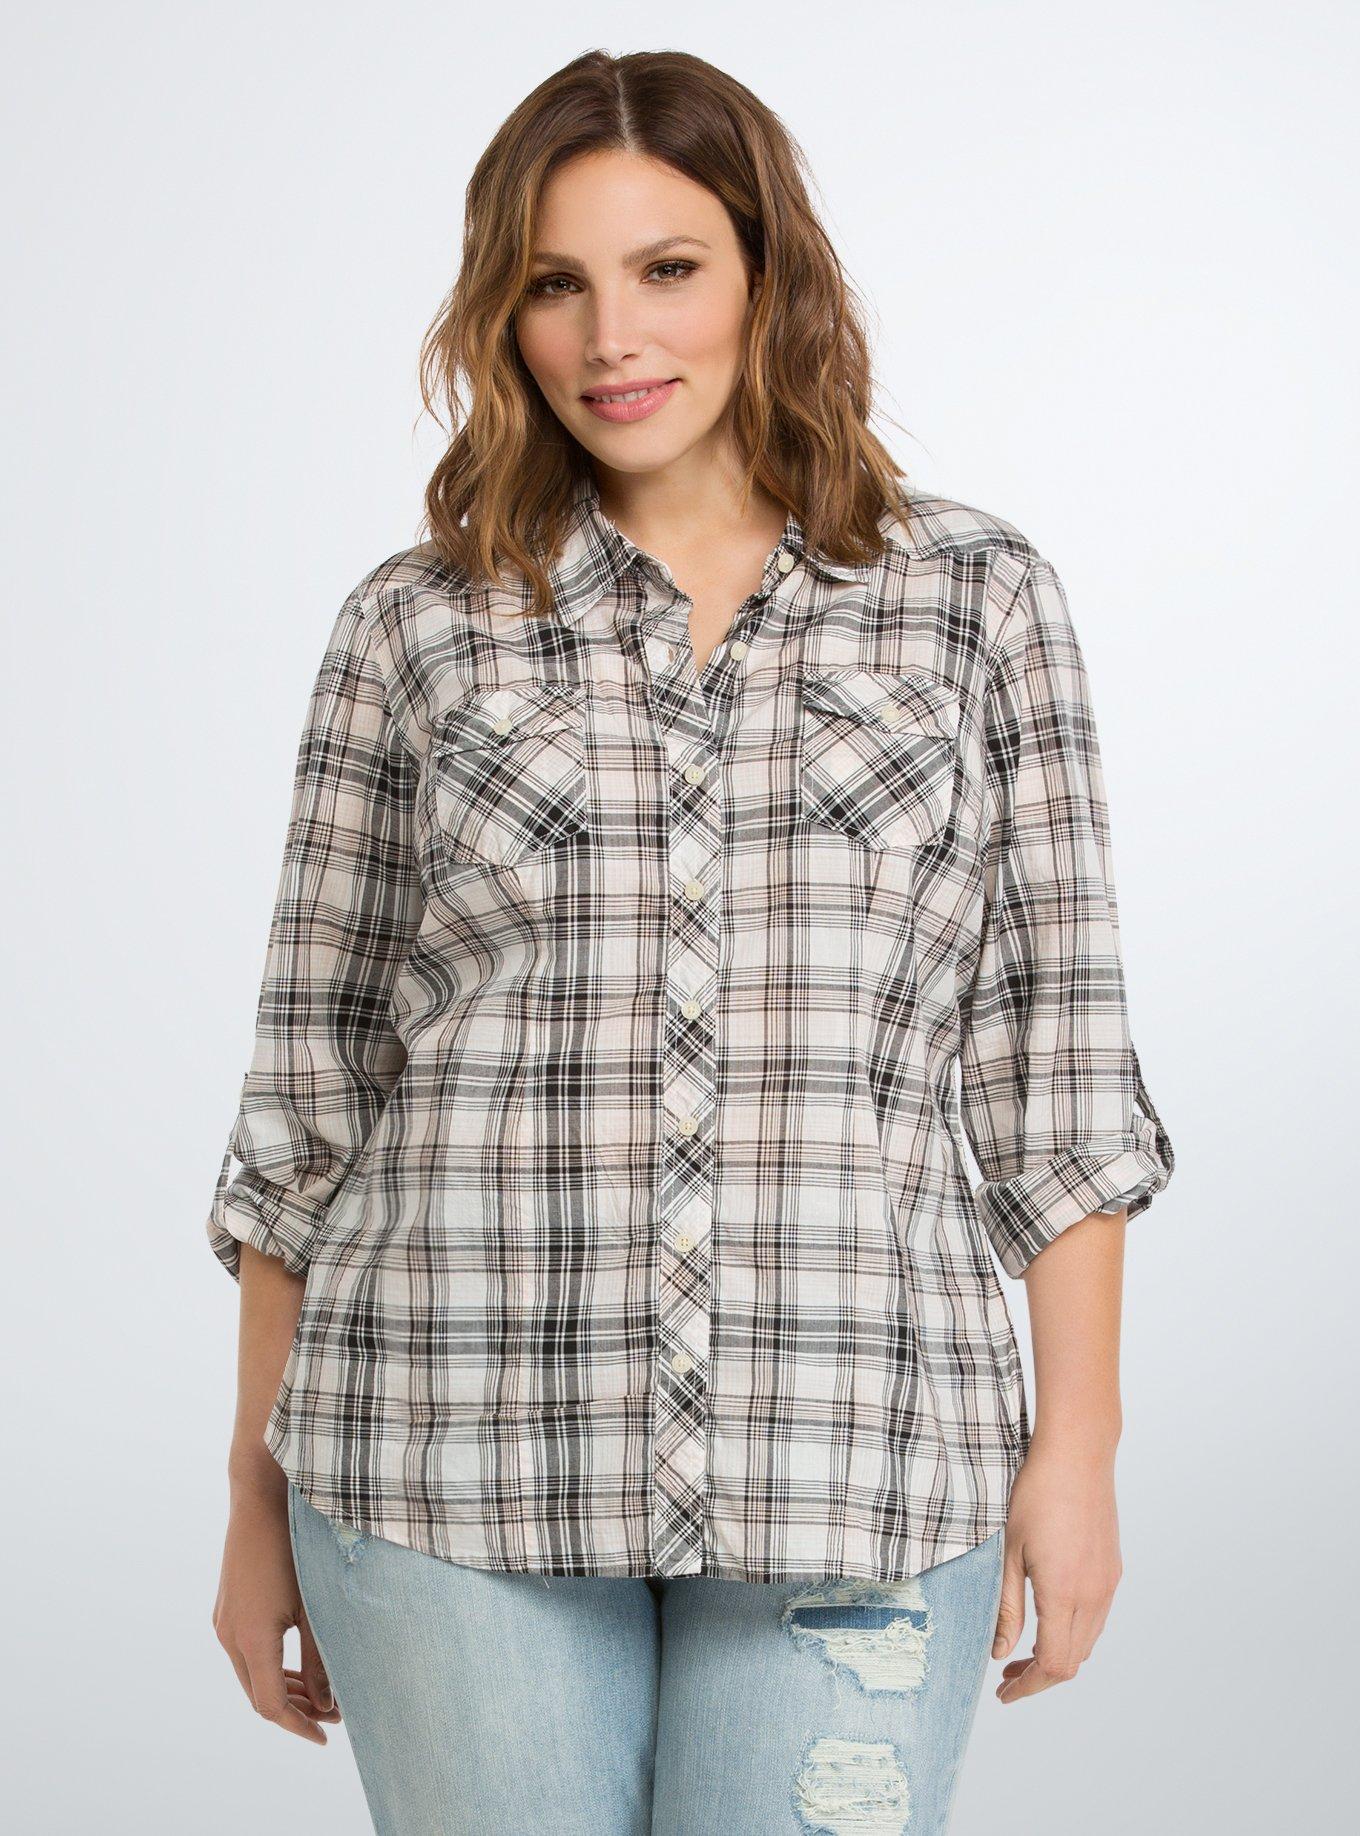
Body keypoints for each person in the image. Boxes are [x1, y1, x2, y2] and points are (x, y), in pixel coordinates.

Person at [208, 47, 1175, 1836]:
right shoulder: (415, 629)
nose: (611, 339)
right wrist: (252, 1500)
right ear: (502, 317)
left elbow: (1057, 1073)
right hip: (442, 1456)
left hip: (863, 1462)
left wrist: (1082, 1453)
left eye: (667, 269)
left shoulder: (972, 603)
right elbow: (310, 1100)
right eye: (553, 285)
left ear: (764, 276)